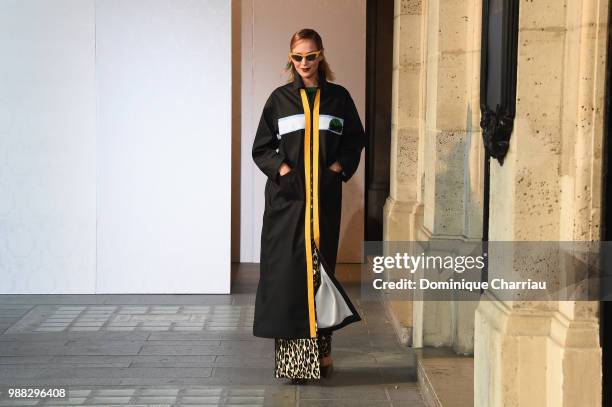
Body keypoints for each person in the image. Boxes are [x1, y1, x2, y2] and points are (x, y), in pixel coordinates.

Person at [252, 28, 365, 384]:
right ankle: (295, 364)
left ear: (321, 56)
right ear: (290, 58)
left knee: (320, 278)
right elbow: (262, 148)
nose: (304, 63)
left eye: (310, 56)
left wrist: (336, 170)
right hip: (288, 209)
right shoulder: (279, 100)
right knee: (289, 281)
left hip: (324, 207)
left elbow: (354, 142)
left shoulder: (339, 99)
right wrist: (283, 171)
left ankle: (323, 355)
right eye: (297, 57)